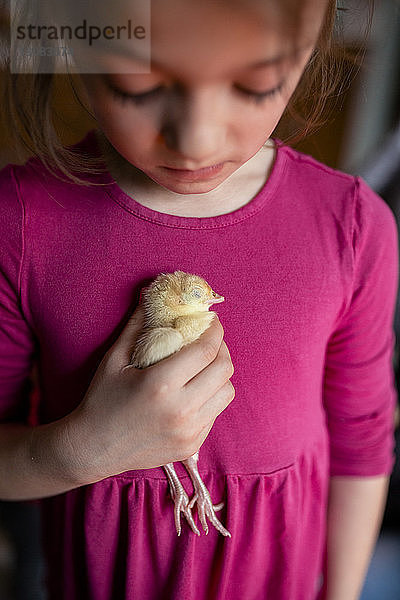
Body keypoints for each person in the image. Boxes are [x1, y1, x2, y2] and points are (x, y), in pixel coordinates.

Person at [0, 1, 398, 598]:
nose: (195, 140)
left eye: (255, 84)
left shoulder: (353, 227)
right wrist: (80, 450)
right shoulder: (22, 225)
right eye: (138, 86)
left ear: (312, 45)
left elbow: (361, 442)